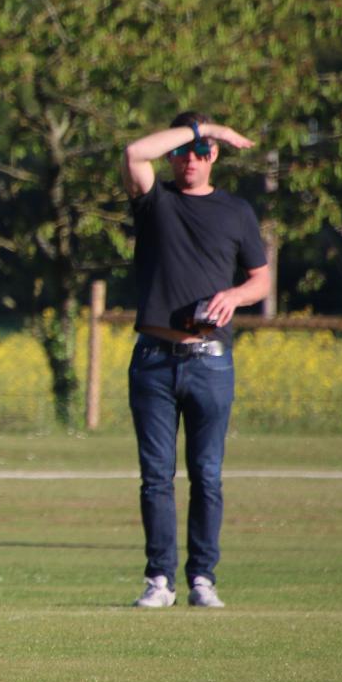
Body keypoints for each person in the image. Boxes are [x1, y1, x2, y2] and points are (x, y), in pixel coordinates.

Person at [121, 113, 271, 609]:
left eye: (203, 152)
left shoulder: (236, 212)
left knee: (207, 474)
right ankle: (159, 580)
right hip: (154, 362)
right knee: (156, 476)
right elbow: (133, 153)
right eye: (185, 151)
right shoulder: (155, 203)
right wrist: (206, 129)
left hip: (210, 362)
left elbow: (261, 280)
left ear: (216, 159)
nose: (192, 159)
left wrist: (235, 296)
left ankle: (202, 578)